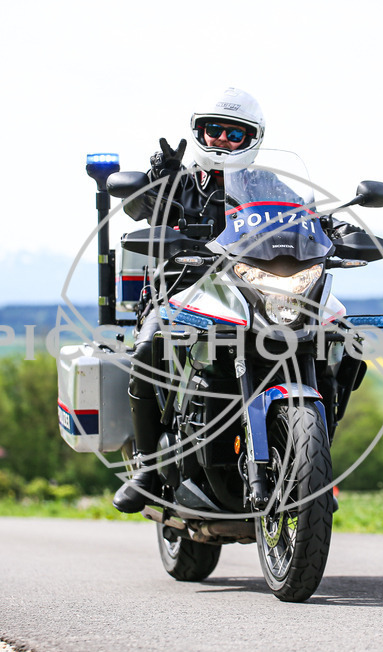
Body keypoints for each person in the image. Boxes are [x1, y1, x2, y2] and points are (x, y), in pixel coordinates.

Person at [112, 87, 265, 513]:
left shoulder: (266, 187)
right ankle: (146, 469)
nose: (222, 140)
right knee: (147, 349)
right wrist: (156, 181)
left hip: (248, 293)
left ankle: (309, 465)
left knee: (326, 338)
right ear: (199, 132)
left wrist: (335, 227)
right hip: (180, 291)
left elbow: (306, 218)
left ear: (251, 139)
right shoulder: (179, 182)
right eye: (214, 129)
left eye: (234, 133)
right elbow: (139, 209)